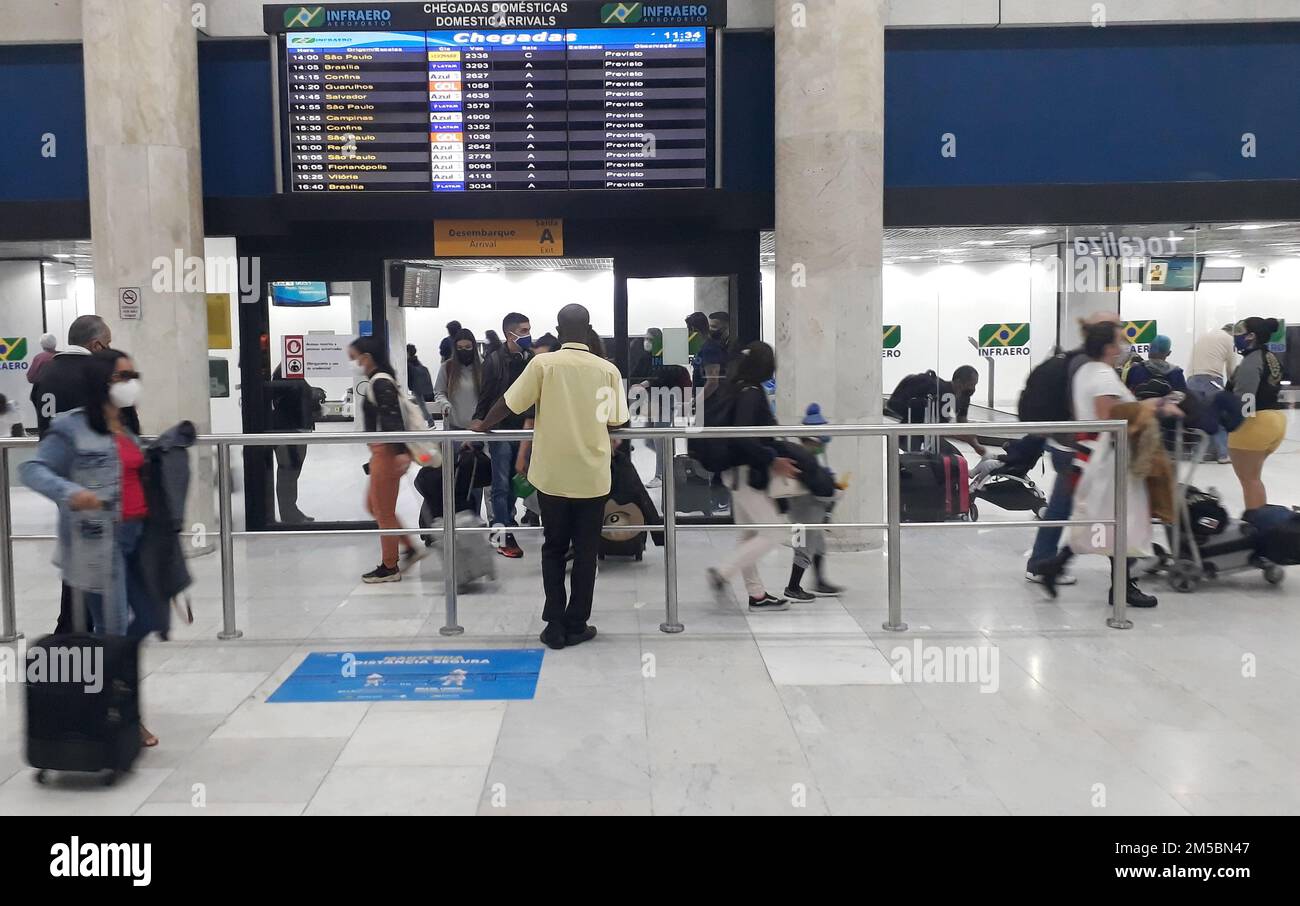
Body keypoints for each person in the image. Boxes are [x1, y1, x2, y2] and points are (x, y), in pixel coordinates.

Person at [20, 348, 158, 747]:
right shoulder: (72, 427)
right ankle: (119, 716)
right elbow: (32, 469)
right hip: (101, 544)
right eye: (123, 376)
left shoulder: (124, 424)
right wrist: (71, 492)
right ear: (101, 381)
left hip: (136, 538)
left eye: (134, 373)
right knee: (113, 633)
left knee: (145, 620)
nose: (132, 382)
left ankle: (108, 702)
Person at [473, 303, 629, 650]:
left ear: (558, 333)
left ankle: (554, 624)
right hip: (592, 476)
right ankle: (578, 623)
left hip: (553, 476)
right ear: (589, 330)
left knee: (554, 548)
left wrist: (483, 425)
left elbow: (510, 403)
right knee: (586, 552)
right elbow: (616, 420)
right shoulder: (607, 371)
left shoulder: (543, 364)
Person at [1038, 321, 1179, 607]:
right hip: (1112, 461)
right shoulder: (1102, 375)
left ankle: (1063, 568)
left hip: (1100, 458)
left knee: (1107, 524)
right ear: (1108, 346)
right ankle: (1117, 586)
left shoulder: (1087, 371)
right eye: (1119, 341)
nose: (1123, 346)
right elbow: (1110, 418)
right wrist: (1156, 406)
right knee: (1123, 524)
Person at [1024, 312, 1122, 587]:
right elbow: (1095, 413)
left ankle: (1046, 562)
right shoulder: (1088, 366)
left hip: (1066, 444)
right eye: (1117, 329)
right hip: (1075, 448)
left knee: (1064, 506)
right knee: (1083, 508)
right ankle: (1046, 564)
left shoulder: (1079, 361)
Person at [704, 341, 802, 612]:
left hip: (736, 473)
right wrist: (773, 459)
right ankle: (723, 573)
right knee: (774, 531)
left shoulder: (736, 387)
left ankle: (757, 595)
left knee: (748, 535)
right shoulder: (750, 392)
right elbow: (743, 436)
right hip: (746, 473)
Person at [350, 336, 424, 583]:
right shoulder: (379, 381)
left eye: (355, 357)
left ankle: (389, 566)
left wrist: (400, 452)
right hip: (383, 451)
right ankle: (409, 547)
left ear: (367, 357)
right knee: (374, 506)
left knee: (382, 509)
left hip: (387, 452)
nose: (355, 363)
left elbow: (392, 419)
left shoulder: (380, 382)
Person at [474, 312, 533, 559]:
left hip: (524, 429)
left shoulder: (532, 360)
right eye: (523, 331)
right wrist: (479, 421)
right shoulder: (494, 361)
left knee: (513, 485)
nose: (528, 335)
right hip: (500, 430)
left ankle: (503, 523)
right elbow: (486, 396)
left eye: (529, 329)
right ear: (509, 334)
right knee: (500, 486)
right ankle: (503, 535)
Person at [783, 404, 845, 602]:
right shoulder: (804, 460)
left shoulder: (809, 458)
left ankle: (819, 581)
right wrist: (833, 490)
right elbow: (818, 488)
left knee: (817, 546)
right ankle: (793, 587)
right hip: (802, 514)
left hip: (810, 513)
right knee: (803, 549)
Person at [1227, 317, 1286, 510]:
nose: (1235, 337)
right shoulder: (1270, 357)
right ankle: (1261, 520)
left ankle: (1256, 525)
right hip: (1275, 419)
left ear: (1251, 336)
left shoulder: (1251, 361)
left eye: (1238, 333)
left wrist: (1231, 421)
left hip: (1254, 423)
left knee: (1249, 480)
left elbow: (1245, 398)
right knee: (1254, 479)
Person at [34, 314, 113, 436]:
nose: (109, 349)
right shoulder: (98, 373)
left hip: (48, 449)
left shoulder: (45, 370)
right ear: (96, 346)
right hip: (85, 452)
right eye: (107, 344)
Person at [887, 365, 987, 455]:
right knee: (921, 463)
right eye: (971, 384)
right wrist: (971, 441)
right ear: (958, 382)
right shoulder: (941, 392)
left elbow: (962, 422)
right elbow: (942, 428)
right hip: (913, 435)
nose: (973, 388)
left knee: (956, 461)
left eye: (975, 385)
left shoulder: (964, 397)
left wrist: (976, 445)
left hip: (931, 437)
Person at [267, 365, 317, 524]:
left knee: (291, 472)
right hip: (287, 430)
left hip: (296, 429)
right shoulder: (286, 375)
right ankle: (288, 514)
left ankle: (290, 511)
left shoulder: (295, 375)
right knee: (288, 471)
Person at [1187, 324, 1239, 464]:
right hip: (1211, 379)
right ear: (1232, 333)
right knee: (1219, 416)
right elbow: (1231, 370)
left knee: (1199, 417)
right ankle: (1223, 454)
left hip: (1191, 379)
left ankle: (1199, 454)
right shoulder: (1228, 339)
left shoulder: (1205, 335)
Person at [406, 343, 436, 426]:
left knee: (421, 405)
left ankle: (430, 421)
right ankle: (427, 420)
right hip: (420, 387)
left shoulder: (408, 363)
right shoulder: (416, 361)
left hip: (416, 388)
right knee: (419, 404)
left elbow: (410, 376)